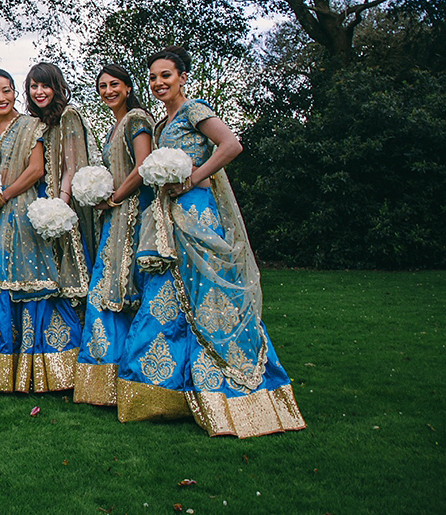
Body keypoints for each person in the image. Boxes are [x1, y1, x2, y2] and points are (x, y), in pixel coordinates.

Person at [117, 48, 305, 437]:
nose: (158, 83)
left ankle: (241, 397)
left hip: (197, 212)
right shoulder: (163, 121)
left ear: (183, 76)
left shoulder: (194, 111)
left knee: (210, 299)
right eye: (153, 77)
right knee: (166, 298)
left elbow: (231, 145)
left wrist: (192, 177)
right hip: (169, 216)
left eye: (166, 75)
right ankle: (165, 395)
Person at [0, 70, 79, 393]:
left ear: (15, 92)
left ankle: (49, 371)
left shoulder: (31, 125)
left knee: (28, 280)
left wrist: (3, 195)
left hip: (19, 210)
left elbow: (36, 169)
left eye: (6, 91)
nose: (1, 98)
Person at [73, 64, 154, 406]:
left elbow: (144, 164)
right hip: (116, 212)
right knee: (108, 290)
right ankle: (109, 380)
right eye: (103, 86)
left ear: (128, 86)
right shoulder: (115, 125)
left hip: (133, 210)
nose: (108, 91)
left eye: (114, 85)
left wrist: (116, 197)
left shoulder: (136, 119)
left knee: (118, 290)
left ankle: (124, 376)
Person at [22, 62, 98, 389]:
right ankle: (47, 358)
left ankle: (77, 359)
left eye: (44, 86)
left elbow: (73, 164)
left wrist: (60, 206)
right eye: (33, 87)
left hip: (59, 204)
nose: (39, 92)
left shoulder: (69, 117)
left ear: (56, 86)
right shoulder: (36, 124)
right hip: (39, 204)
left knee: (67, 277)